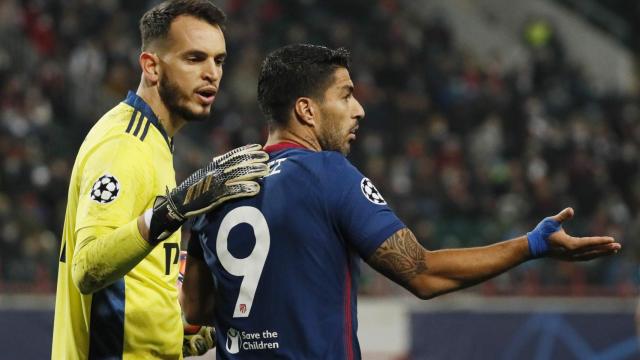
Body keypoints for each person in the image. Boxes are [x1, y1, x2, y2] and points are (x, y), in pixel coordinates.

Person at [180, 44, 621, 359]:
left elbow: (196, 311)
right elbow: (423, 274)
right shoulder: (326, 173)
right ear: (307, 111)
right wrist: (533, 245)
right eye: (346, 95)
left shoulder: (213, 184)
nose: (360, 111)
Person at [51, 1, 269, 358]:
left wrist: (173, 336)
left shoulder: (154, 142)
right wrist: (174, 210)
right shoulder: (125, 144)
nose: (211, 73)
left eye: (219, 60)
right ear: (151, 67)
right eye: (194, 58)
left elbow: (136, 280)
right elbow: (88, 268)